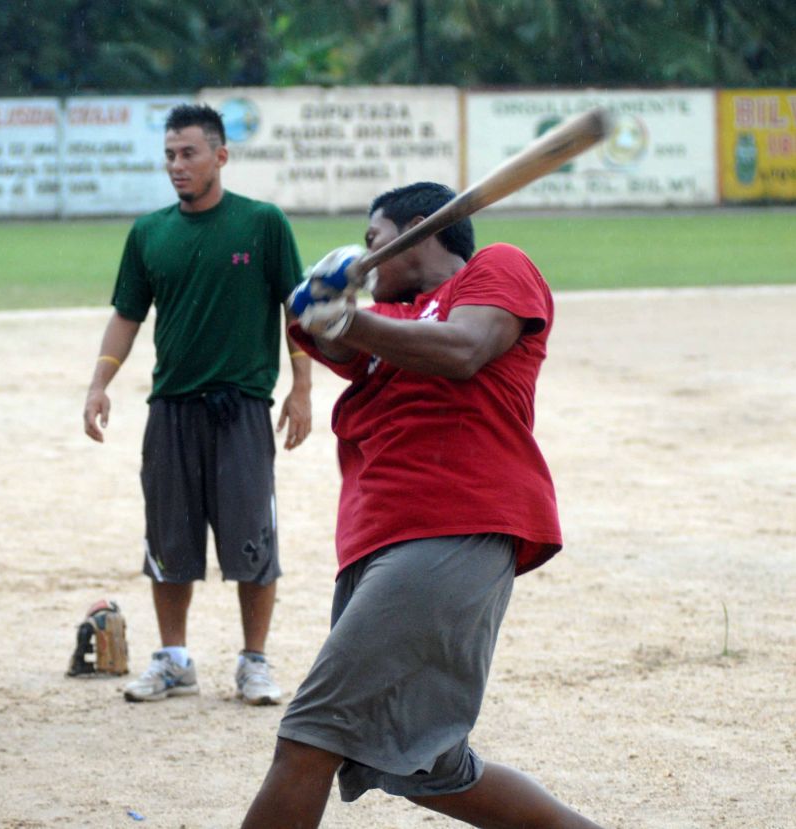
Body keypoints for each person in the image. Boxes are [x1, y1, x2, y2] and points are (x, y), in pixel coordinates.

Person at [241, 182, 604, 827]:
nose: (366, 254)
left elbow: (464, 351)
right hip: (377, 539)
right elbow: (327, 336)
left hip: (455, 525)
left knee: (308, 737)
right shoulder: (397, 326)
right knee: (431, 771)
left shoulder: (495, 269)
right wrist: (321, 303)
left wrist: (342, 313)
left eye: (374, 239)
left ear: (420, 230)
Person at [82, 103, 312, 706]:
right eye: (169, 155)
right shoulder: (149, 233)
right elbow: (127, 316)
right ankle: (174, 659)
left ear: (220, 156)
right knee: (169, 539)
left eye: (188, 153)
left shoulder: (262, 224)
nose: (176, 166)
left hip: (241, 409)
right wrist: (99, 383)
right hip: (171, 409)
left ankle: (254, 662)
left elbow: (298, 310)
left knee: (252, 542)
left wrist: (302, 387)